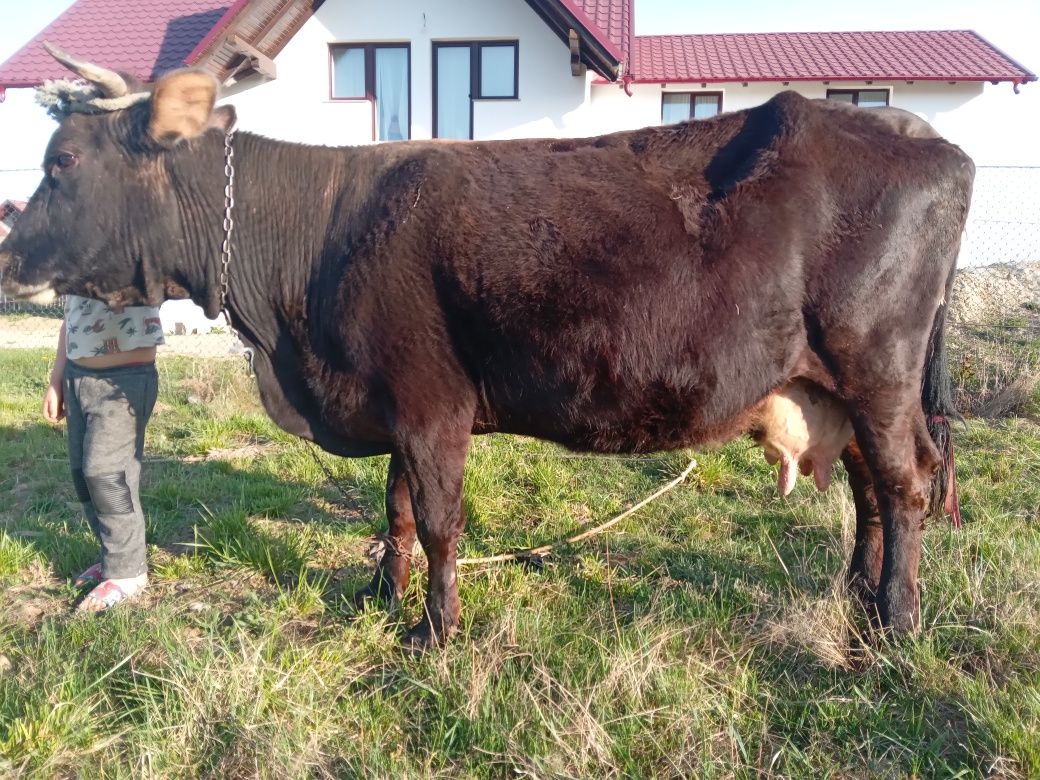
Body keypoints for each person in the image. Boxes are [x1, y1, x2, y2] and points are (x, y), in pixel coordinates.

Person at [42, 295, 164, 611]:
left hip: (123, 380)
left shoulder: (134, 247)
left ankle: (128, 573)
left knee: (106, 473)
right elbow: (69, 321)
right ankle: (113, 556)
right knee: (83, 475)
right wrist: (57, 378)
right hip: (76, 376)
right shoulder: (73, 254)